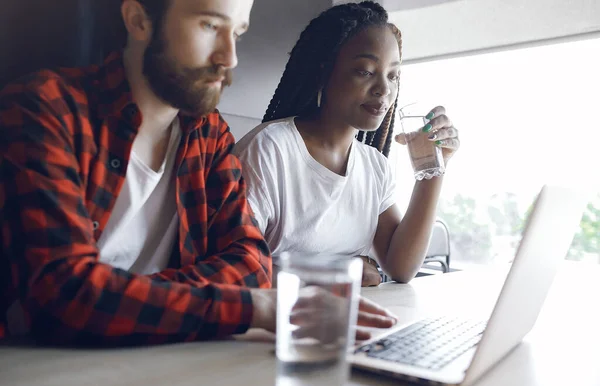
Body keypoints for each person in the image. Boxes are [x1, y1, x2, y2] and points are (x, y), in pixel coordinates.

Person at [0, 0, 396, 345]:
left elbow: (252, 265)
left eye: (237, 33)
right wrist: (250, 308)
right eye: (209, 25)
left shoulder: (208, 134)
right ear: (139, 21)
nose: (229, 58)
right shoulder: (44, 109)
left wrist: (126, 297)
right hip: (35, 364)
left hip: (163, 354)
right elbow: (66, 296)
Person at [234, 1, 460, 287]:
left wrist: (433, 169)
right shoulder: (269, 149)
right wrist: (340, 272)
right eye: (365, 71)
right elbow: (233, 269)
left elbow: (402, 267)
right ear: (323, 72)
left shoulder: (374, 166)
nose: (384, 89)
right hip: (274, 326)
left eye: (393, 75)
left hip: (345, 322)